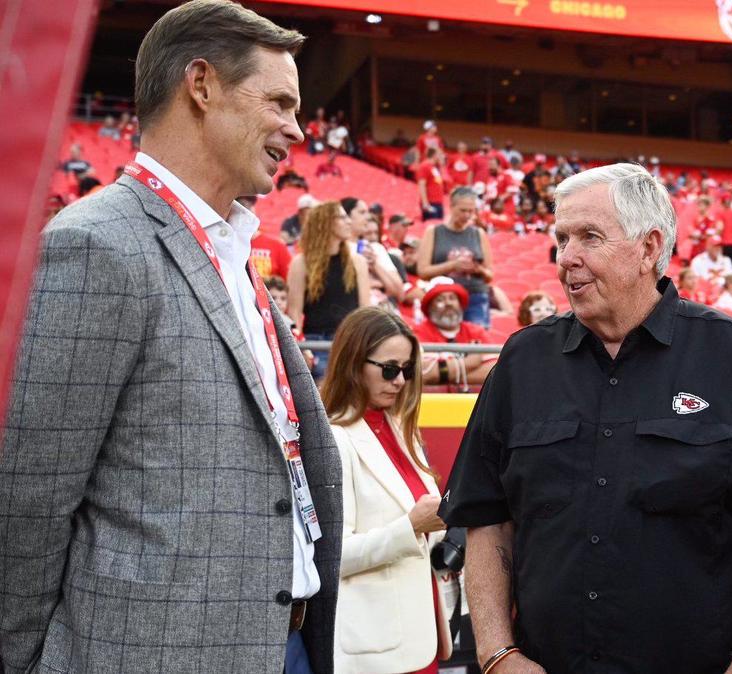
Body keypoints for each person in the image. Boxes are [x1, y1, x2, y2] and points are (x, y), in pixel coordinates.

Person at [0, 2, 342, 672]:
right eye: (278, 102)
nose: (296, 130)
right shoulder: (96, 245)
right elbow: (27, 499)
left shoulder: (229, 247)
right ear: (202, 84)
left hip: (284, 642)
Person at [439, 163, 732, 674]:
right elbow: (486, 516)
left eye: (590, 238)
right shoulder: (521, 362)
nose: (566, 258)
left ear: (648, 248)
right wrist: (496, 653)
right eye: (562, 238)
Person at [320, 307, 453, 673]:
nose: (399, 381)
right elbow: (334, 556)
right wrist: (411, 526)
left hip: (420, 633)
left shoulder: (401, 429)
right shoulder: (334, 439)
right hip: (372, 647)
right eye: (390, 369)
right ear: (353, 363)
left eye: (407, 370)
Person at [287, 201, 371, 376]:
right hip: (315, 343)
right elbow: (294, 312)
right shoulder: (301, 263)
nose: (348, 222)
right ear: (325, 222)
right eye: (341, 217)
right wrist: (300, 348)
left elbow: (365, 309)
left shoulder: (358, 262)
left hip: (350, 342)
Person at [416, 186, 495, 328]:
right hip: (444, 298)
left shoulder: (479, 234)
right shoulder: (434, 232)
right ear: (451, 207)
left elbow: (490, 275)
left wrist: (478, 269)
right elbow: (422, 271)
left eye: (471, 211)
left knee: (476, 342)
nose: (467, 215)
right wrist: (452, 265)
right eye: (463, 210)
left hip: (475, 296)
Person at [414, 280, 497, 387]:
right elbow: (424, 372)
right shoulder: (419, 332)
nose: (448, 303)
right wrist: (471, 362)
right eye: (440, 300)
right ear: (430, 308)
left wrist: (446, 375)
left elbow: (496, 370)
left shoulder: (476, 331)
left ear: (460, 305)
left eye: (452, 298)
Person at [417, 146, 447, 222]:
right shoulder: (424, 166)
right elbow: (422, 185)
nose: (441, 156)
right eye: (439, 154)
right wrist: (425, 203)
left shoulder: (435, 167)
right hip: (431, 203)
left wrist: (442, 162)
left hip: (438, 202)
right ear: (434, 155)